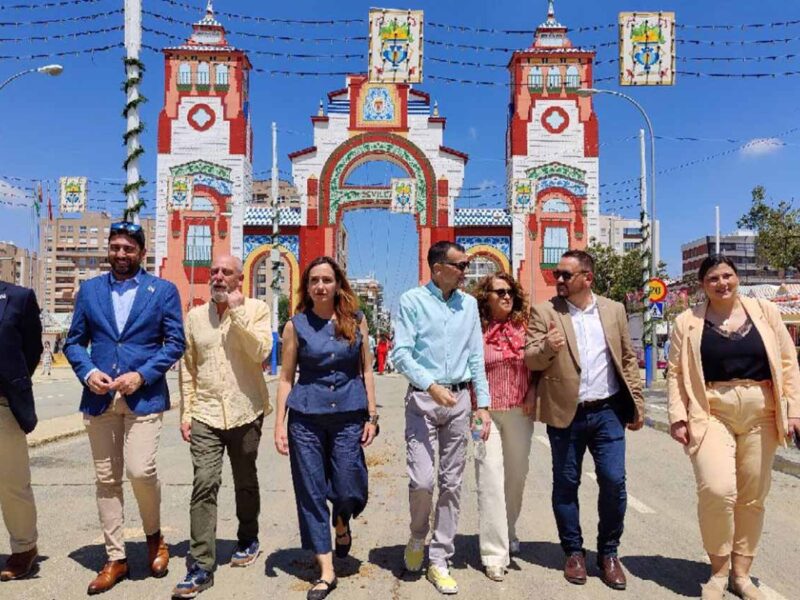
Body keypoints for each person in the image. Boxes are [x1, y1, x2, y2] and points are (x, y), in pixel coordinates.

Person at [667, 255, 800, 600]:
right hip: (711, 410)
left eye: (728, 275)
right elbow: (676, 373)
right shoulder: (687, 322)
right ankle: (717, 572)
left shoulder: (765, 312)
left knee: (752, 496)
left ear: (737, 277)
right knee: (716, 489)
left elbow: (788, 362)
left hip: (763, 410)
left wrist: (795, 409)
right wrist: (677, 415)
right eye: (713, 278)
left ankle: (741, 575)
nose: (722, 283)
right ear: (703, 284)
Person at [64, 221, 185, 595]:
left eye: (128, 248)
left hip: (143, 396)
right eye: (115, 247)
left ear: (141, 253)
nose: (120, 254)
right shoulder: (89, 291)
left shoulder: (162, 290)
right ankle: (115, 557)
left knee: (140, 469)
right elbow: (73, 343)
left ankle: (154, 537)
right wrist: (87, 373)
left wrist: (143, 375)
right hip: (99, 398)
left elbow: (174, 342)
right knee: (106, 479)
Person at [525, 250, 644, 590]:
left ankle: (608, 553)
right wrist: (548, 346)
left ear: (587, 278)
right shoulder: (545, 311)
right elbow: (531, 359)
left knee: (614, 481)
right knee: (565, 483)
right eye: (556, 274)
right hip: (566, 411)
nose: (557, 280)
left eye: (565, 275)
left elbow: (626, 358)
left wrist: (637, 404)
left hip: (607, 411)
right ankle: (574, 552)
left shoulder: (614, 310)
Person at [273, 256, 377, 600]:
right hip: (306, 417)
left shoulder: (356, 321)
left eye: (327, 280)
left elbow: (366, 371)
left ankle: (343, 520)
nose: (320, 286)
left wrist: (372, 416)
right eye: (314, 280)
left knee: (348, 485)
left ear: (338, 285)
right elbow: (286, 377)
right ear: (308, 286)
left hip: (349, 414)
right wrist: (278, 425)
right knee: (311, 491)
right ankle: (326, 571)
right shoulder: (295, 325)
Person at [391, 240, 492, 595]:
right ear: (437, 269)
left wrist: (483, 405)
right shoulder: (412, 302)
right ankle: (418, 535)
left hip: (461, 400)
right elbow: (401, 355)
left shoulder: (468, 306)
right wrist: (431, 386)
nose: (466, 271)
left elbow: (476, 356)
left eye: (466, 265)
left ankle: (439, 557)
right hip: (423, 400)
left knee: (452, 483)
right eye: (460, 265)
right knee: (422, 480)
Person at [172, 255, 272, 598]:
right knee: (205, 482)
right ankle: (200, 564)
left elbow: (260, 351)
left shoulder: (257, 309)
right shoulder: (195, 317)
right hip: (206, 412)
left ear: (239, 279)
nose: (218, 276)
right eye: (214, 271)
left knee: (245, 479)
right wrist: (186, 413)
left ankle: (248, 536)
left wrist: (237, 311)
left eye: (225, 272)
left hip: (246, 411)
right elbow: (188, 368)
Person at [470, 272, 536, 582]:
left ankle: (508, 528)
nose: (506, 296)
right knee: (490, 477)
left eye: (510, 291)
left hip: (520, 411)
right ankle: (494, 553)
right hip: (485, 414)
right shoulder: (474, 330)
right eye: (499, 292)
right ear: (487, 297)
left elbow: (538, 365)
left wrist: (534, 391)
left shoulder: (525, 328)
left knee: (517, 476)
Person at [0, 282, 43, 582]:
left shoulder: (19, 297)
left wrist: (13, 380)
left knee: (12, 482)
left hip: (3, 404)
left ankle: (24, 548)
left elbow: (33, 349)